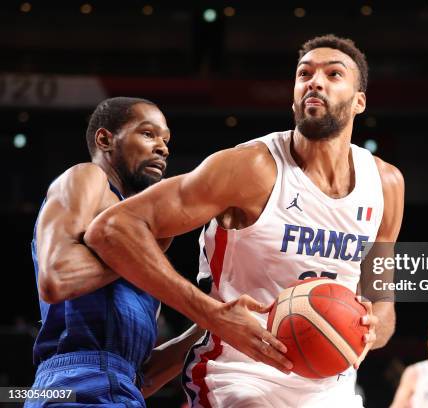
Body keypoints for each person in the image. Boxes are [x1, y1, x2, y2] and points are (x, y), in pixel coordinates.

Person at [85, 34, 405, 407]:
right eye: (305, 74)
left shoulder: (386, 184)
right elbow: (112, 229)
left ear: (359, 101)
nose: (315, 81)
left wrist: (371, 328)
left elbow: (382, 299)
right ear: (294, 95)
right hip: (238, 375)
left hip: (331, 385)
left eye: (334, 74)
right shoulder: (250, 168)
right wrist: (212, 315)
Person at [28, 97, 183, 407]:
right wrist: (141, 253)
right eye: (148, 133)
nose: (163, 148)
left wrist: (212, 325)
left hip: (121, 392)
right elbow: (57, 279)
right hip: (71, 385)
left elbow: (143, 377)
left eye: (165, 139)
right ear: (105, 139)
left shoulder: (143, 246)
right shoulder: (88, 177)